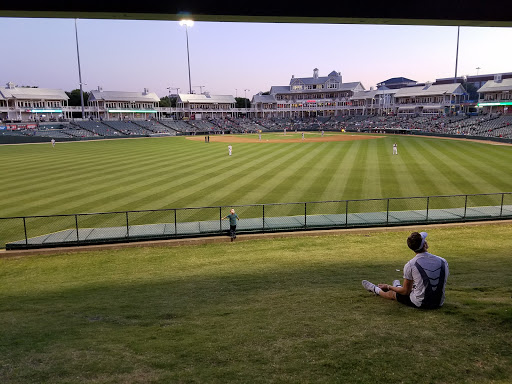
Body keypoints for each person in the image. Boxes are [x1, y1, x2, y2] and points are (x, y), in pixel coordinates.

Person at [362, 232, 449, 309]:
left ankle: (375, 289)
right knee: (414, 287)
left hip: (421, 303)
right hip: (438, 302)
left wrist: (388, 287)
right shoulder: (442, 261)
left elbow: (405, 292)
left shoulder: (411, 265)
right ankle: (397, 286)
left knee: (394, 293)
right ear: (425, 244)